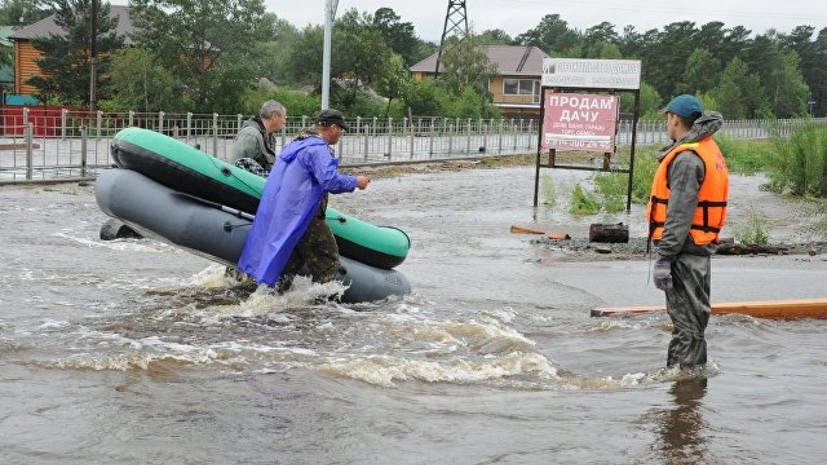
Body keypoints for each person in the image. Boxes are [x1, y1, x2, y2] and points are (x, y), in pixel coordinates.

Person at [237, 108, 370, 292]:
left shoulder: (296, 144)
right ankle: (320, 312)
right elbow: (329, 180)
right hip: (304, 216)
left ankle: (268, 299)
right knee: (328, 263)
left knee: (290, 264)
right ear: (333, 128)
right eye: (341, 129)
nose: (340, 134)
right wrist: (356, 181)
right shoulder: (317, 148)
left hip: (283, 214)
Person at [646, 94, 729, 370]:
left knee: (687, 325)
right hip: (698, 250)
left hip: (684, 251)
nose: (666, 124)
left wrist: (664, 257)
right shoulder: (706, 148)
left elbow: (679, 214)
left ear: (675, 119)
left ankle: (684, 394)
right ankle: (690, 392)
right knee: (693, 323)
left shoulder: (687, 159)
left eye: (667, 118)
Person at [230, 100, 287, 176]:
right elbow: (235, 169)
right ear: (274, 116)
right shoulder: (250, 135)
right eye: (284, 117)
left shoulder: (269, 136)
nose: (284, 122)